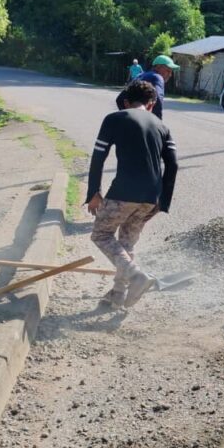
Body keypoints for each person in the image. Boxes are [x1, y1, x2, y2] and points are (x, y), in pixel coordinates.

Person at [87, 79, 178, 310]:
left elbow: (98, 157)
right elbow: (173, 165)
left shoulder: (115, 118)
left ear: (126, 102)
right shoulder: (162, 126)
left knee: (101, 234)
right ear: (151, 104)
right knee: (126, 242)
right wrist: (162, 202)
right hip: (151, 197)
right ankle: (118, 295)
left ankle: (137, 276)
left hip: (124, 192)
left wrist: (94, 192)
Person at [116, 54, 178, 119]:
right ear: (158, 67)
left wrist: (129, 118)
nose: (170, 75)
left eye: (171, 72)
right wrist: (157, 121)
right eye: (168, 70)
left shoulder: (140, 75)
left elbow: (120, 99)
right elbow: (158, 100)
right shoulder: (158, 77)